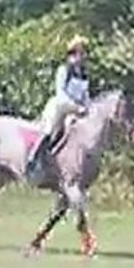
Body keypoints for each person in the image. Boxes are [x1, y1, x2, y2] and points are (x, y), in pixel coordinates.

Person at [26, 34, 91, 174]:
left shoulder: (84, 74)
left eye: (84, 53)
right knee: (50, 129)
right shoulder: (64, 70)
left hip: (77, 110)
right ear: (74, 53)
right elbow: (61, 93)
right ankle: (34, 157)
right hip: (60, 107)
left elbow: (85, 95)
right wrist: (76, 107)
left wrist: (87, 107)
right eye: (82, 52)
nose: (84, 56)